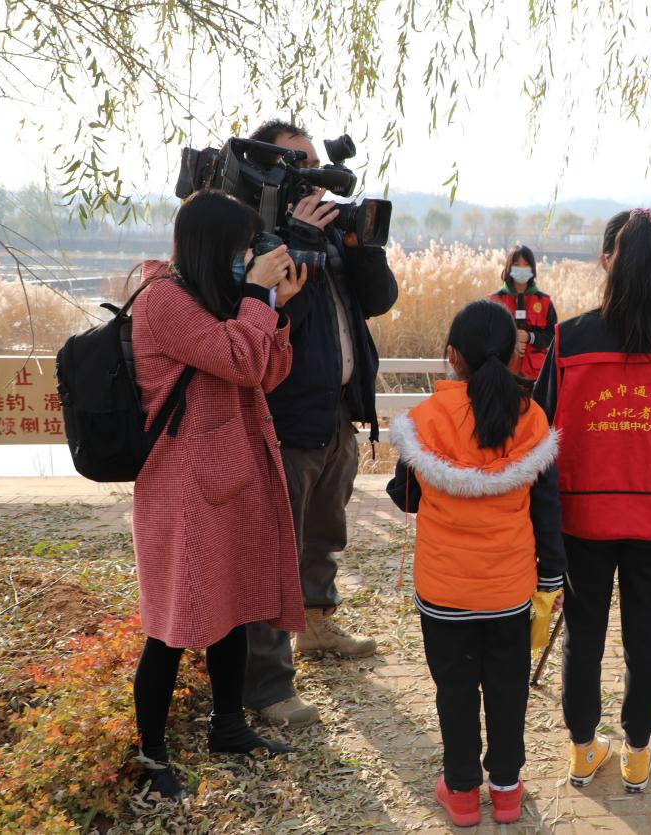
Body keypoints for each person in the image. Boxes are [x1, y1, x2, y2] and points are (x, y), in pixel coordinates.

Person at [130, 189, 309, 798]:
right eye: (241, 249)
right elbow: (235, 356)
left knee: (232, 604)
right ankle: (152, 758)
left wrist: (275, 308)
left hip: (227, 477)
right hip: (181, 488)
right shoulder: (163, 302)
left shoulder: (214, 301)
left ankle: (227, 727)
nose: (248, 258)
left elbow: (264, 371)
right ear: (213, 247)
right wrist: (257, 299)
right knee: (173, 622)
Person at [532, 209, 651, 793]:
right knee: (645, 632)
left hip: (582, 515)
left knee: (583, 633)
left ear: (606, 259)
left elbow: (541, 428)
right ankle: (637, 753)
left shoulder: (571, 338)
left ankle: (583, 750)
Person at [242, 119, 399, 728]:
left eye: (314, 162)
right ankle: (270, 682)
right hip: (283, 416)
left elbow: (378, 299)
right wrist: (297, 239)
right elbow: (279, 317)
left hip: (337, 410)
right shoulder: (257, 238)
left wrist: (363, 246)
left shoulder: (328, 235)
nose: (312, 175)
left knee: (323, 532)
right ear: (267, 170)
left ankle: (318, 627)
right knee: (277, 549)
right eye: (296, 164)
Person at [386, 300, 566, 827]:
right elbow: (547, 507)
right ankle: (506, 791)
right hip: (509, 590)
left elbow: (406, 496)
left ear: (451, 357)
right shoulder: (532, 418)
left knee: (455, 690)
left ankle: (462, 792)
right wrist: (551, 575)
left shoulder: (425, 420)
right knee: (508, 690)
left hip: (443, 594)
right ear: (513, 357)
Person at [488, 245, 557, 380]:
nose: (521, 269)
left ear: (532, 269)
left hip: (536, 377)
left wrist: (530, 337)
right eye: (516, 264)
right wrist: (511, 342)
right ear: (508, 267)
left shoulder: (544, 302)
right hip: (503, 374)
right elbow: (487, 338)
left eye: (526, 265)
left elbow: (553, 337)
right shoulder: (494, 301)